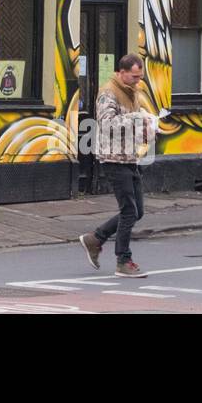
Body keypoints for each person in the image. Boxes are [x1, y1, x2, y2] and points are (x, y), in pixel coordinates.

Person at [78, 54, 157, 277]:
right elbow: (106, 124)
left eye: (140, 77)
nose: (137, 81)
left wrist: (147, 128)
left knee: (137, 211)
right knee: (129, 210)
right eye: (134, 76)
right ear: (121, 73)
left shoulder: (133, 92)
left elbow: (132, 122)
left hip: (130, 157)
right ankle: (123, 261)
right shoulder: (108, 93)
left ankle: (95, 239)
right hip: (113, 158)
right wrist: (135, 118)